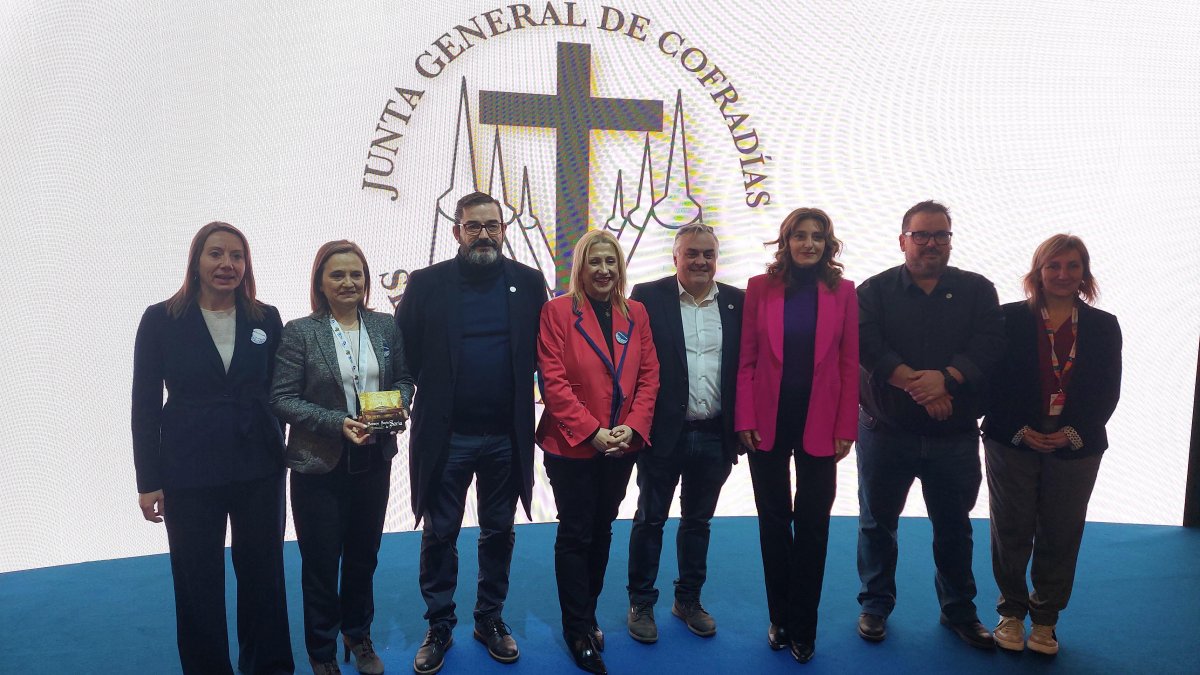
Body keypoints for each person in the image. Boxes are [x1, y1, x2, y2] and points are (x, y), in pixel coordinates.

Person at [395, 191, 548, 674]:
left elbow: (542, 356)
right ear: (457, 230)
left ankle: (489, 619)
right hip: (448, 436)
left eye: (493, 225)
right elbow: (406, 358)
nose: (484, 234)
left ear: (504, 230)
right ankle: (439, 624)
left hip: (507, 436)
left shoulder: (529, 282)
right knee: (440, 533)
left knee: (498, 531)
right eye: (473, 225)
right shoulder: (426, 284)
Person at [131, 221, 294, 674]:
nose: (227, 265)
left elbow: (282, 393)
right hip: (188, 470)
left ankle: (269, 667)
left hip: (259, 467)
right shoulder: (160, 319)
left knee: (264, 574)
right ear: (196, 261)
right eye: (216, 254)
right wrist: (149, 482)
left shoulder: (267, 318)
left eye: (237, 256)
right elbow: (144, 405)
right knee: (197, 579)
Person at [856, 200, 1005, 649]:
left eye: (941, 235)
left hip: (953, 437)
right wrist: (918, 386)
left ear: (950, 240)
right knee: (877, 525)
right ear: (903, 240)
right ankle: (875, 606)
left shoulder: (978, 290)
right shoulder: (873, 290)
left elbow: (990, 345)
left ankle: (959, 611)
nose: (931, 244)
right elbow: (867, 346)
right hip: (886, 433)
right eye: (921, 235)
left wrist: (947, 380)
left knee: (954, 527)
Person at [271, 241, 415, 675]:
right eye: (338, 275)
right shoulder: (300, 331)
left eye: (356, 274)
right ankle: (322, 652)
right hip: (319, 464)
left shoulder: (386, 326)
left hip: (374, 461)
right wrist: (338, 422)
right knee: (319, 562)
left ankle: (358, 634)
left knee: (363, 556)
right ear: (320, 282)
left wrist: (397, 406)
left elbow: (406, 378)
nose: (349, 282)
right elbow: (281, 398)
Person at [981, 234, 1121, 655]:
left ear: (1084, 272)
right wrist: (1021, 429)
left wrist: (1072, 432)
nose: (1063, 274)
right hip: (1013, 441)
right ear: (1038, 272)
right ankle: (1010, 613)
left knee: (1061, 533)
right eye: (1053, 266)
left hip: (1076, 446)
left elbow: (1106, 390)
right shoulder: (1007, 319)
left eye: (1072, 266)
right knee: (1011, 530)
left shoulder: (1102, 325)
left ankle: (1045, 621)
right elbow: (991, 385)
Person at [734, 207, 859, 663]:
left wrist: (847, 426)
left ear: (829, 245)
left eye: (818, 237)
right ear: (785, 241)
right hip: (765, 422)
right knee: (773, 521)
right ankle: (780, 617)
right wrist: (744, 417)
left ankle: (804, 625)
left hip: (821, 423)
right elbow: (746, 361)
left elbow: (849, 364)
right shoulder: (759, 289)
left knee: (813, 525)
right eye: (800, 236)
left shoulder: (843, 292)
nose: (809, 244)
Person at [537, 229, 660, 675]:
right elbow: (553, 383)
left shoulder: (638, 313)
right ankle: (576, 630)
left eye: (611, 262)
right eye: (595, 262)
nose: (604, 270)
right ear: (581, 268)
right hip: (571, 445)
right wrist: (592, 432)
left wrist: (632, 427)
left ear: (620, 268)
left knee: (603, 528)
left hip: (621, 446)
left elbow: (649, 377)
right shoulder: (556, 312)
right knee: (576, 532)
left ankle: (586, 616)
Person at [626, 223, 744, 643]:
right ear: (675, 257)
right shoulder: (647, 297)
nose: (700, 261)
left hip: (714, 434)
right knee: (650, 519)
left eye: (708, 254)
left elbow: (744, 372)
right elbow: (632, 365)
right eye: (692, 253)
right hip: (662, 433)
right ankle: (641, 603)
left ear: (717, 258)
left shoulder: (736, 302)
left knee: (698, 522)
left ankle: (688, 599)